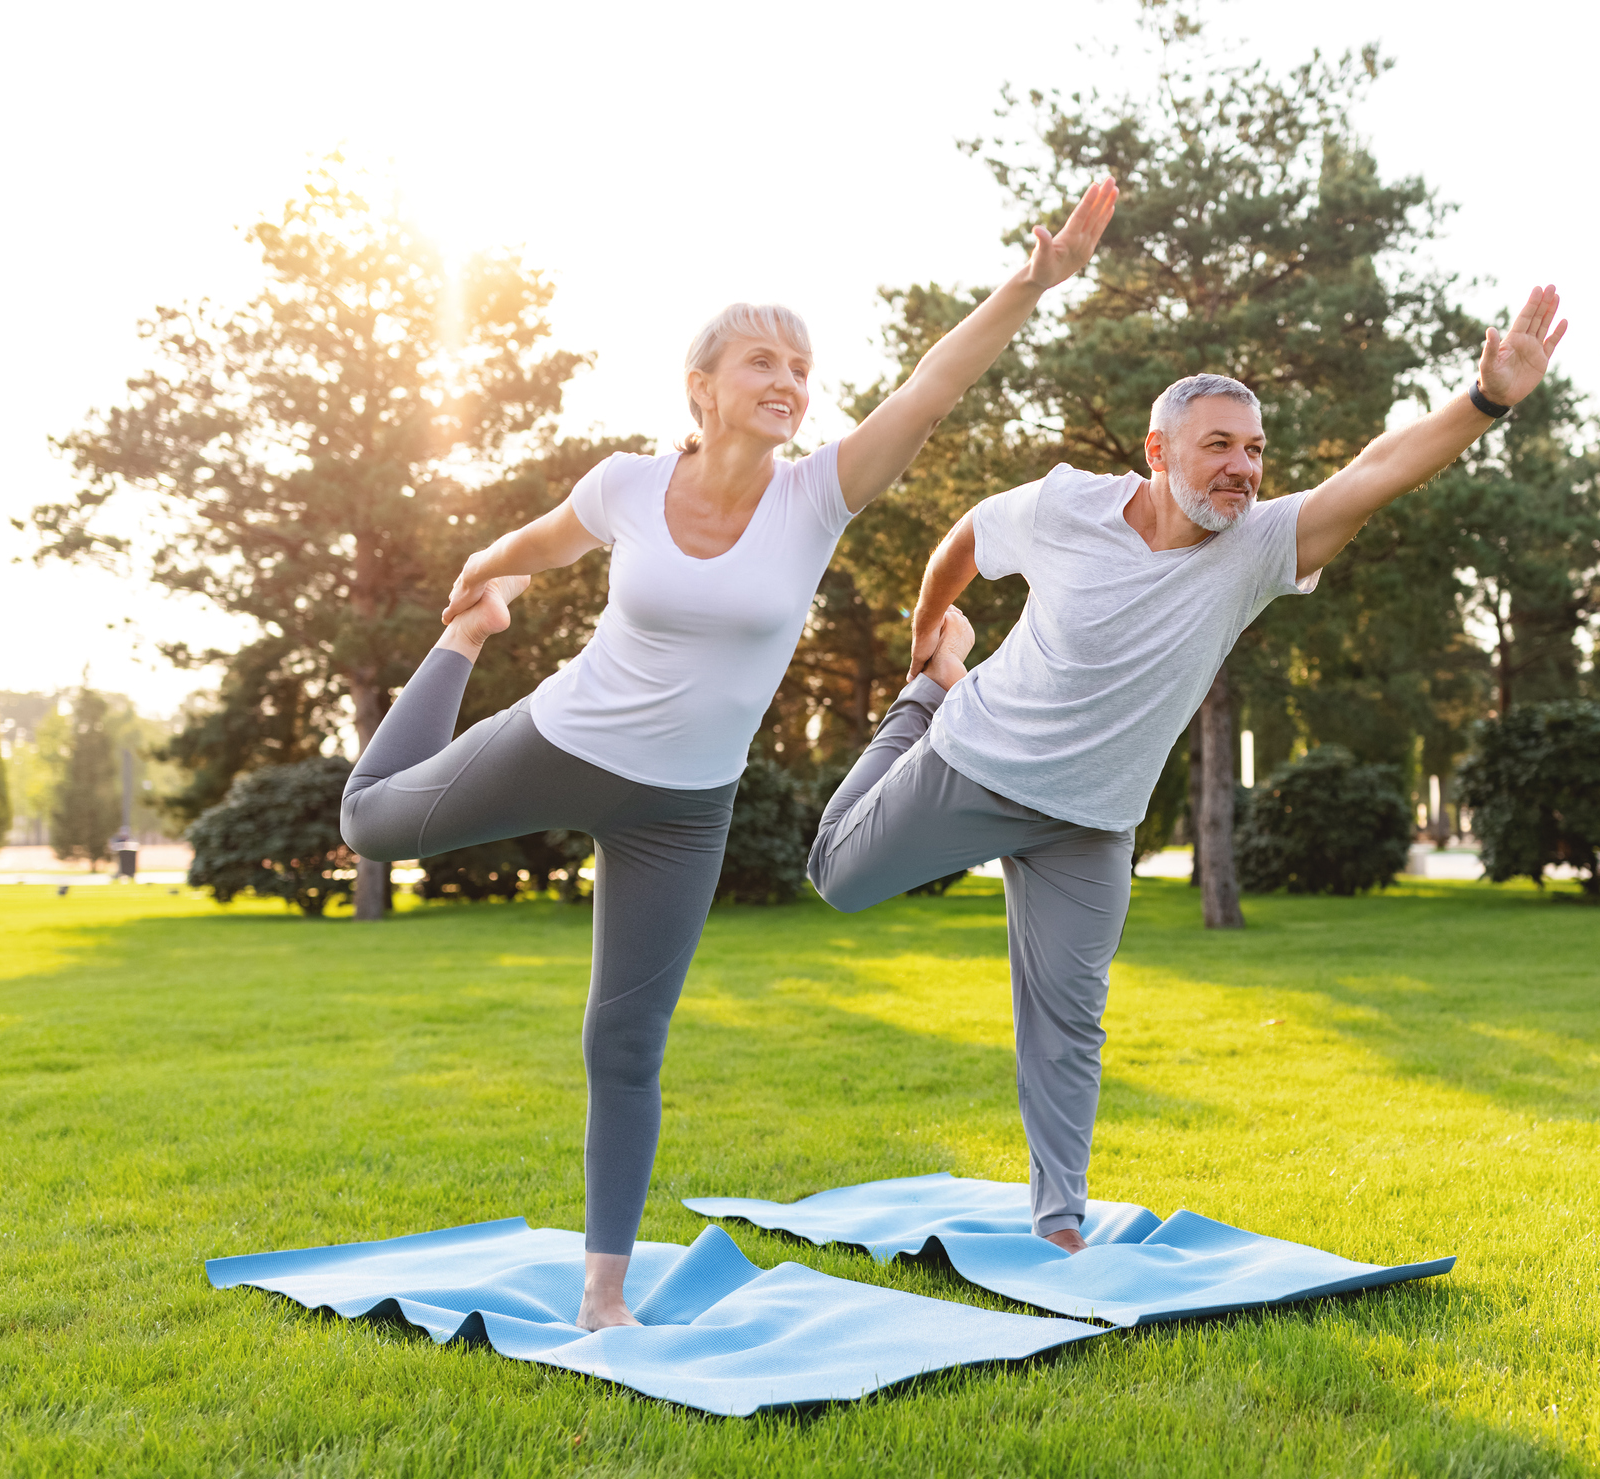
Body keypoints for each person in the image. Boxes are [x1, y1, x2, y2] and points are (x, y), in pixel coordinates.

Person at [340, 178, 1119, 1330]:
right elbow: (548, 539)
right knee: (368, 824)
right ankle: (460, 651)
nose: (789, 384)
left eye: (801, 369)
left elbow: (932, 385)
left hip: (682, 809)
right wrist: (480, 585)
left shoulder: (819, 497)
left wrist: (1029, 284)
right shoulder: (627, 486)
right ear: (700, 389)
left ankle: (605, 1294)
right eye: (763, 362)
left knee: (624, 1038)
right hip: (562, 738)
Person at [808, 287, 1568, 1252]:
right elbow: (964, 536)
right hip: (976, 760)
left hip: (1091, 820)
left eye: (1254, 450)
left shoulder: (1257, 548)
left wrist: (1485, 403)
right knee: (836, 877)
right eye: (1218, 446)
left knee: (1067, 1025)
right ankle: (924, 700)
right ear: (1158, 452)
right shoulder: (1064, 506)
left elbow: (1376, 471)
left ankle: (1057, 1225)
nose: (1242, 470)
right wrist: (927, 642)